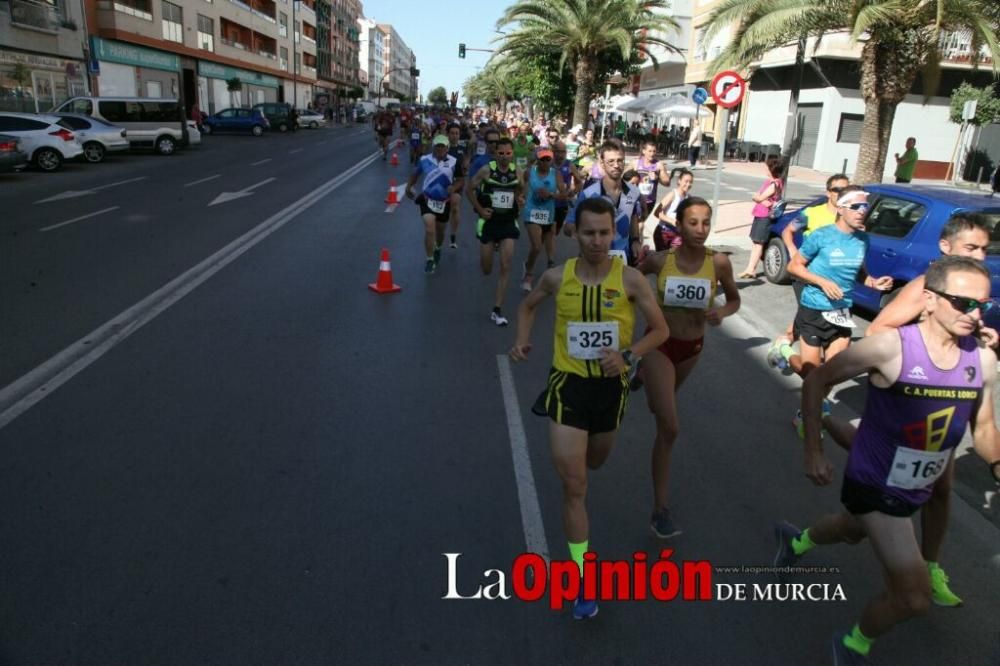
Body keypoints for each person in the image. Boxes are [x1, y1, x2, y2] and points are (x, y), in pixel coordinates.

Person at [775, 255, 1000, 665]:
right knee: (914, 597)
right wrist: (814, 449)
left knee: (849, 529)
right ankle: (853, 644)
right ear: (929, 300)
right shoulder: (888, 348)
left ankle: (795, 539)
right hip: (874, 481)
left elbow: (983, 429)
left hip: (918, 485)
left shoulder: (983, 360)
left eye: (983, 304)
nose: (976, 313)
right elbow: (818, 380)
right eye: (964, 302)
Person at [819, 213, 995, 610]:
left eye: (985, 248)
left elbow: (985, 424)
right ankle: (829, 423)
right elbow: (881, 330)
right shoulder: (925, 288)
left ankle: (929, 564)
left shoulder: (971, 294)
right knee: (902, 485)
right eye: (972, 247)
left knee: (939, 490)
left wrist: (970, 332)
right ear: (946, 247)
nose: (981, 254)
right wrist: (921, 346)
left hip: (941, 410)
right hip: (910, 397)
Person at [509, 196, 669, 619]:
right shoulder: (557, 278)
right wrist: (522, 340)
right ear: (575, 234)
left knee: (597, 461)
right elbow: (526, 306)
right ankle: (581, 579)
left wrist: (630, 355)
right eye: (589, 233)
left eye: (604, 232)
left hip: (610, 392)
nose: (597, 241)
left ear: (612, 234)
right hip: (567, 387)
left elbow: (660, 330)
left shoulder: (631, 279)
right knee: (575, 485)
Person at [635, 197, 740, 537]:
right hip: (659, 344)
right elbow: (629, 283)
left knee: (659, 407)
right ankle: (659, 510)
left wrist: (721, 313)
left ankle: (644, 378)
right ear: (678, 225)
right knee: (669, 427)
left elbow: (734, 299)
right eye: (692, 222)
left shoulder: (720, 263)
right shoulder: (660, 260)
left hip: (692, 348)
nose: (700, 229)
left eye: (706, 222)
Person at [781, 186, 893, 435]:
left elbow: (860, 274)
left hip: (842, 312)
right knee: (812, 375)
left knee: (829, 375)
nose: (862, 211)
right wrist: (822, 282)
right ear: (841, 209)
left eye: (865, 207)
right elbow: (794, 267)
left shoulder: (863, 239)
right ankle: (784, 352)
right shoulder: (821, 236)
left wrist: (874, 282)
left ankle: (807, 413)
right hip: (813, 309)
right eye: (856, 206)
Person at [766, 174, 851, 368]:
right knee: (811, 317)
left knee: (809, 318)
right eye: (837, 190)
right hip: (806, 276)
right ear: (828, 192)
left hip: (834, 281)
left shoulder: (847, 217)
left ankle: (784, 342)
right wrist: (793, 250)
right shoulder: (812, 213)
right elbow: (788, 230)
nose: (841, 194)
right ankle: (800, 357)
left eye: (845, 190)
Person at [467, 137, 523, 326]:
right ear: (495, 153)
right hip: (489, 222)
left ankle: (497, 309)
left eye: (508, 153)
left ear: (512, 153)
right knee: (487, 269)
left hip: (508, 222)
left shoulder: (518, 171)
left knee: (506, 266)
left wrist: (520, 200)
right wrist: (480, 210)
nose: (505, 157)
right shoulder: (486, 170)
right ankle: (492, 246)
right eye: (501, 153)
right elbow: (469, 189)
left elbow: (521, 190)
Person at [564, 141, 643, 267]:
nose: (616, 165)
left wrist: (635, 241)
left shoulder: (634, 191)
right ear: (602, 163)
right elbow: (568, 227)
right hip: (592, 260)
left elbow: (632, 217)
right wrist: (588, 232)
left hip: (622, 260)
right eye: (611, 161)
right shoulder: (588, 194)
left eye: (620, 160)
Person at [405, 135, 465, 274]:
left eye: (443, 146)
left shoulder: (454, 162)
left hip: (444, 201)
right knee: (429, 228)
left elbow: (461, 180)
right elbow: (415, 174)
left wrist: (454, 188)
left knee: (440, 231)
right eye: (437, 146)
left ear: (447, 147)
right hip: (427, 198)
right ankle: (429, 258)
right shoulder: (424, 160)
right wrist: (409, 187)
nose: (440, 149)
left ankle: (438, 248)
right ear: (433, 146)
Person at [521, 147, 568, 291]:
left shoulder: (556, 174)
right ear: (537, 160)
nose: (546, 162)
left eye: (548, 159)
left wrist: (551, 195)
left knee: (547, 242)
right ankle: (529, 275)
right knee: (536, 245)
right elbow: (520, 187)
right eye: (542, 159)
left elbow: (563, 194)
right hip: (531, 211)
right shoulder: (529, 172)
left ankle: (531, 263)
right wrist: (520, 197)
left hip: (548, 213)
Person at [738, 158, 784, 279]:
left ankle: (751, 269)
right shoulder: (769, 181)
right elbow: (759, 197)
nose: (765, 169)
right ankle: (749, 268)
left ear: (772, 169)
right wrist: (761, 199)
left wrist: (759, 199)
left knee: (759, 243)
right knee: (755, 242)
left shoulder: (775, 184)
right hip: (760, 214)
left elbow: (757, 197)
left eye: (767, 167)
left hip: (765, 217)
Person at [645, 168, 693, 252]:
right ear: (679, 181)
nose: (688, 184)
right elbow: (657, 213)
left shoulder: (689, 198)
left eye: (691, 182)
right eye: (686, 181)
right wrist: (671, 221)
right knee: (663, 260)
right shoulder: (673, 195)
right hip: (664, 232)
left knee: (676, 258)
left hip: (678, 234)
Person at [446, 123, 471, 249]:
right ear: (448, 134)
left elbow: (467, 159)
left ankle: (453, 235)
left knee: (455, 206)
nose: (455, 136)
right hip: (443, 182)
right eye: (452, 133)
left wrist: (466, 166)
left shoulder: (462, 148)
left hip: (457, 181)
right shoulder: (443, 148)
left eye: (457, 133)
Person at [634, 138, 672, 220]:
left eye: (654, 151)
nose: (652, 154)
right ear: (644, 151)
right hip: (635, 199)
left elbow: (667, 183)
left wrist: (657, 178)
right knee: (633, 223)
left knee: (641, 223)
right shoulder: (636, 163)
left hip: (649, 201)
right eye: (650, 151)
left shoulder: (658, 165)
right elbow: (625, 178)